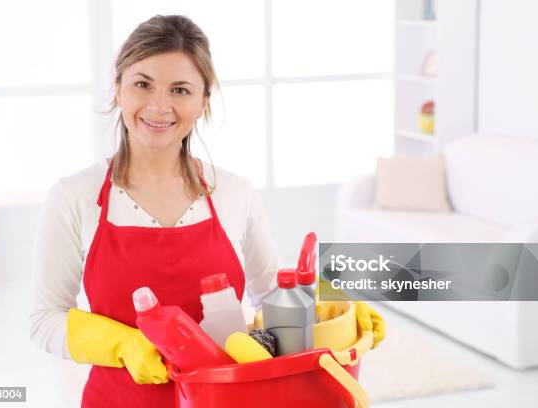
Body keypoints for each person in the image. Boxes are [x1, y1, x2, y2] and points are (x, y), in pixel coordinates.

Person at [30, 14, 385, 408]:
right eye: (142, 84)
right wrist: (123, 345)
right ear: (117, 88)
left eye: (180, 90)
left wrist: (334, 314)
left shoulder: (235, 192)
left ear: (203, 102)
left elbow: (272, 292)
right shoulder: (73, 196)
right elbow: (45, 318)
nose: (159, 106)